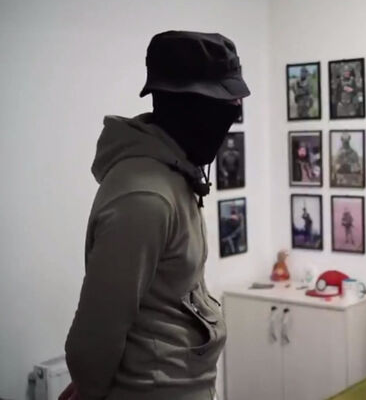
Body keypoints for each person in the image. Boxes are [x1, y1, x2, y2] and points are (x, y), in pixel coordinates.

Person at [61, 30, 250, 400]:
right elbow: (96, 333)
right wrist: (88, 387)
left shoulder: (175, 173)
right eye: (223, 102)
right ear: (185, 104)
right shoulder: (145, 196)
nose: (234, 112)